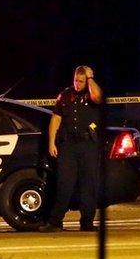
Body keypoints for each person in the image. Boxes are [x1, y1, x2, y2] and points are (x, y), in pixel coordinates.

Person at [39, 65, 103, 232]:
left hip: (88, 145)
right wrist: (51, 142)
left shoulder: (91, 93)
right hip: (68, 146)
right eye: (76, 80)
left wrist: (90, 79)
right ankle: (55, 222)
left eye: (81, 81)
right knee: (64, 184)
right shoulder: (65, 95)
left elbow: (97, 97)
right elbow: (55, 119)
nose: (78, 84)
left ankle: (87, 222)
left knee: (88, 184)